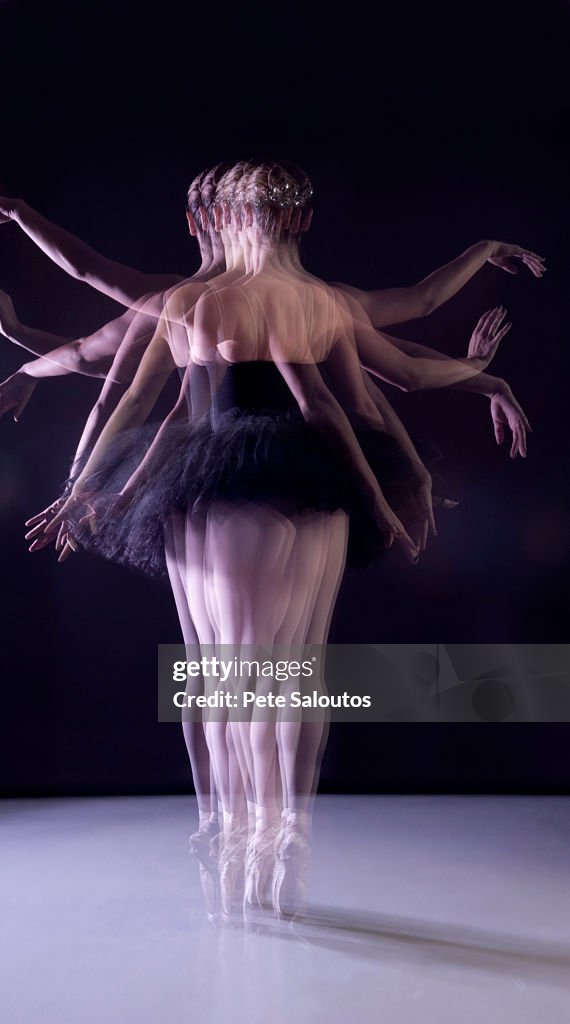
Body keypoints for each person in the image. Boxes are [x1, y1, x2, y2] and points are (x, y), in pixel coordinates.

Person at [39, 160, 514, 921]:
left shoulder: (198, 302)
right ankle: (269, 825)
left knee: (226, 673)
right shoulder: (317, 301)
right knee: (287, 669)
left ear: (216, 219)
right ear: (299, 221)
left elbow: (130, 390)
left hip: (222, 484)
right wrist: (456, 410)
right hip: (305, 483)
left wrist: (94, 485)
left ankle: (241, 827)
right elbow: (377, 388)